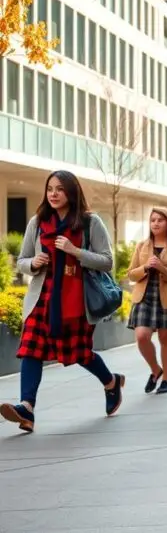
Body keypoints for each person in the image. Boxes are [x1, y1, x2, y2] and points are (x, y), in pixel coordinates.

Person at [0, 171, 125, 433]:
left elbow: (107, 261)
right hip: (42, 297)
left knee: (78, 353)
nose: (53, 194)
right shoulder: (38, 221)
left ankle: (111, 382)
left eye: (60, 189)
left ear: (71, 192)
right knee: (31, 349)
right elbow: (22, 260)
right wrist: (33, 263)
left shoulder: (91, 223)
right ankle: (27, 409)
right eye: (50, 189)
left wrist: (74, 251)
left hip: (76, 298)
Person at [126, 207, 167, 394]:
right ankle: (155, 369)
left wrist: (162, 268)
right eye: (153, 220)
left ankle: (166, 379)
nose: (156, 223)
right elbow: (131, 274)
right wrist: (145, 267)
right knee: (142, 336)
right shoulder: (142, 245)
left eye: (160, 220)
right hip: (144, 296)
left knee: (165, 338)